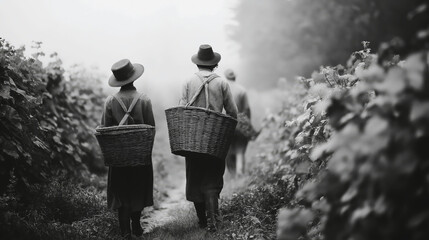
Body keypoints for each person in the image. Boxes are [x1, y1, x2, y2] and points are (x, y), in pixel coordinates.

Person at [179, 44, 238, 231]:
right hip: (215, 139)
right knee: (212, 177)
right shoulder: (222, 83)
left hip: (193, 139)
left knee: (195, 177)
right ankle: (213, 220)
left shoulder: (188, 82)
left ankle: (202, 221)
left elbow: (181, 109)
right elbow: (232, 112)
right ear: (214, 65)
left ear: (197, 64)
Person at [101, 59, 155, 239]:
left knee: (121, 190)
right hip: (139, 155)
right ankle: (137, 226)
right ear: (134, 78)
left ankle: (125, 231)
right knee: (137, 187)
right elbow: (151, 129)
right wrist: (144, 150)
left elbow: (105, 129)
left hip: (117, 157)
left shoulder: (110, 101)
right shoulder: (145, 100)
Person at [224, 69, 252, 177]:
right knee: (240, 149)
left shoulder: (223, 88)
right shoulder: (242, 90)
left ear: (226, 77)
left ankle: (232, 174)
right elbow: (247, 108)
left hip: (226, 123)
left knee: (228, 149)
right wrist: (247, 123)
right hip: (240, 123)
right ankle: (239, 172)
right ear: (235, 77)